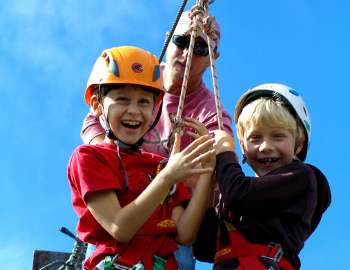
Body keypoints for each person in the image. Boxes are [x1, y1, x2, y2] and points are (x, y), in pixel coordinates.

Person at [81, 10, 234, 270]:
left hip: (170, 225)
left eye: (200, 48)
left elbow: (213, 162)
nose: (187, 54)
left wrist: (168, 175)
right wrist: (117, 165)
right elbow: (94, 121)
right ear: (168, 38)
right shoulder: (142, 78)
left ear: (212, 58)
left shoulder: (211, 113)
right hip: (122, 207)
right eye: (182, 41)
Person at [192, 83, 331, 270]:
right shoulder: (237, 193)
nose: (265, 146)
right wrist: (209, 183)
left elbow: (238, 195)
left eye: (278, 136)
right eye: (255, 138)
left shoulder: (302, 177)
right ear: (243, 146)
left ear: (299, 144)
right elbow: (204, 249)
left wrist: (225, 153)